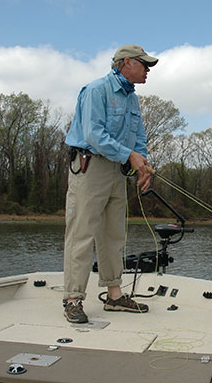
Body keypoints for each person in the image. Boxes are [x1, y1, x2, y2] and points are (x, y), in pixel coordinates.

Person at [62, 44, 157, 323]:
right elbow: (93, 134)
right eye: (144, 64)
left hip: (117, 171)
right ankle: (72, 299)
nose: (148, 70)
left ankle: (115, 297)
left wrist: (142, 164)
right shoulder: (95, 90)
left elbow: (138, 136)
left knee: (114, 235)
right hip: (89, 167)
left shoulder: (133, 99)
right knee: (82, 234)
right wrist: (130, 155)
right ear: (126, 63)